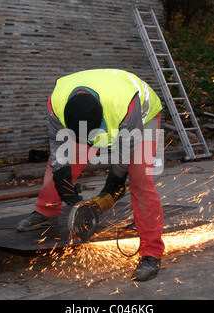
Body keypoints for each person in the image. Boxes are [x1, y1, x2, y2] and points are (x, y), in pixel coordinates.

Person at [17, 69, 165, 281]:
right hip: (99, 114)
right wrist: (64, 186)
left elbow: (127, 150)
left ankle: (151, 252)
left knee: (141, 179)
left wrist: (114, 183)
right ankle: (46, 212)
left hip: (142, 117)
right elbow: (58, 149)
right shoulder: (56, 104)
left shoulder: (124, 104)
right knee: (58, 164)